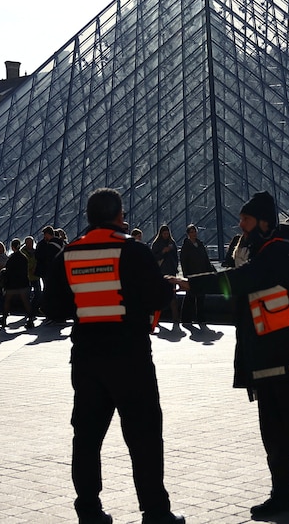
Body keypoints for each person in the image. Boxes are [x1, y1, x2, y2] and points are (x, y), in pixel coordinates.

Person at [179, 191, 289, 524]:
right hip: (269, 359)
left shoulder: (280, 251)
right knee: (275, 436)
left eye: (245, 220)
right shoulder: (267, 249)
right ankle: (283, 496)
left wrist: (192, 284)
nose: (240, 226)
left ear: (263, 222)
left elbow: (241, 281)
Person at [42, 188, 184, 524]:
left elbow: (54, 308)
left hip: (87, 357)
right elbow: (155, 296)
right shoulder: (132, 251)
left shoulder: (69, 254)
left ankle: (88, 510)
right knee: (145, 435)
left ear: (90, 218)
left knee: (87, 437)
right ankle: (155, 512)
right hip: (130, 355)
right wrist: (168, 286)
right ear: (119, 217)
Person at [178, 224, 215, 326]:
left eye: (195, 232)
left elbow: (206, 259)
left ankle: (200, 318)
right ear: (188, 234)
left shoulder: (200, 244)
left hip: (202, 274)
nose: (194, 234)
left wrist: (209, 272)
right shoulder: (186, 246)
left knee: (200, 298)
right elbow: (184, 261)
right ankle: (186, 318)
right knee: (190, 297)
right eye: (191, 232)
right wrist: (186, 275)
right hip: (192, 275)